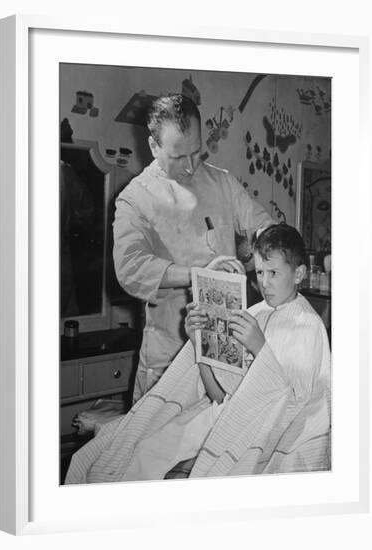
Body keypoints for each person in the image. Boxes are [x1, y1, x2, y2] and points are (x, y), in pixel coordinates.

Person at [65, 223, 331, 483]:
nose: (264, 283)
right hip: (222, 414)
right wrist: (200, 344)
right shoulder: (253, 315)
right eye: (259, 272)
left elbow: (292, 409)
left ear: (298, 274)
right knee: (144, 451)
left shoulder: (308, 327)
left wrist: (259, 348)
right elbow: (219, 395)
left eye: (273, 273)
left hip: (257, 432)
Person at [113, 93, 273, 402]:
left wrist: (263, 245)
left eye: (196, 152)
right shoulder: (135, 198)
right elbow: (130, 267)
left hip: (223, 351)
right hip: (169, 355)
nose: (189, 167)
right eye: (177, 157)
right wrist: (198, 274)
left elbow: (262, 226)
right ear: (153, 146)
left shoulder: (222, 182)